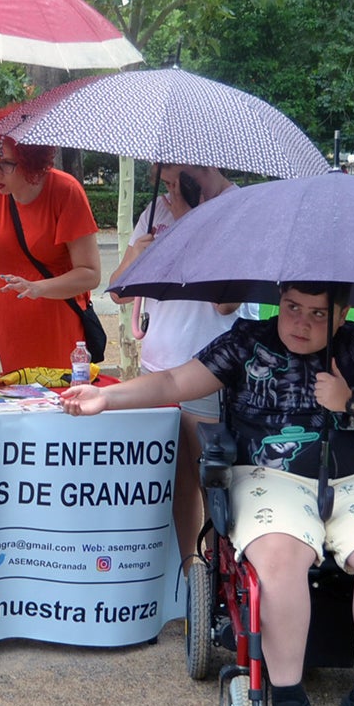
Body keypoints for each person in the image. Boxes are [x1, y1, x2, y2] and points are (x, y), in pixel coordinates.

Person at [62, 281, 354, 706]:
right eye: (291, 307)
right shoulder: (246, 343)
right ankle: (287, 702)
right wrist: (106, 398)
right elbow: (175, 382)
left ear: (341, 314)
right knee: (280, 555)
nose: (299, 322)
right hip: (269, 476)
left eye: (316, 314)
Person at [105, 163, 244, 567]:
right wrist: (137, 256)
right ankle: (189, 572)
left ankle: (222, 572)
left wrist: (191, 229)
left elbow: (227, 302)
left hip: (207, 369)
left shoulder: (236, 210)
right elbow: (118, 292)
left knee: (214, 478)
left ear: (204, 169)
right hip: (157, 368)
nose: (170, 194)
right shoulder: (155, 212)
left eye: (178, 183)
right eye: (164, 184)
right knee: (176, 478)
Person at [0, 104, 102, 373]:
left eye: (6, 164)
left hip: (55, 338)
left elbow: (90, 274)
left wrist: (39, 288)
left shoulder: (66, 192)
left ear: (31, 162)